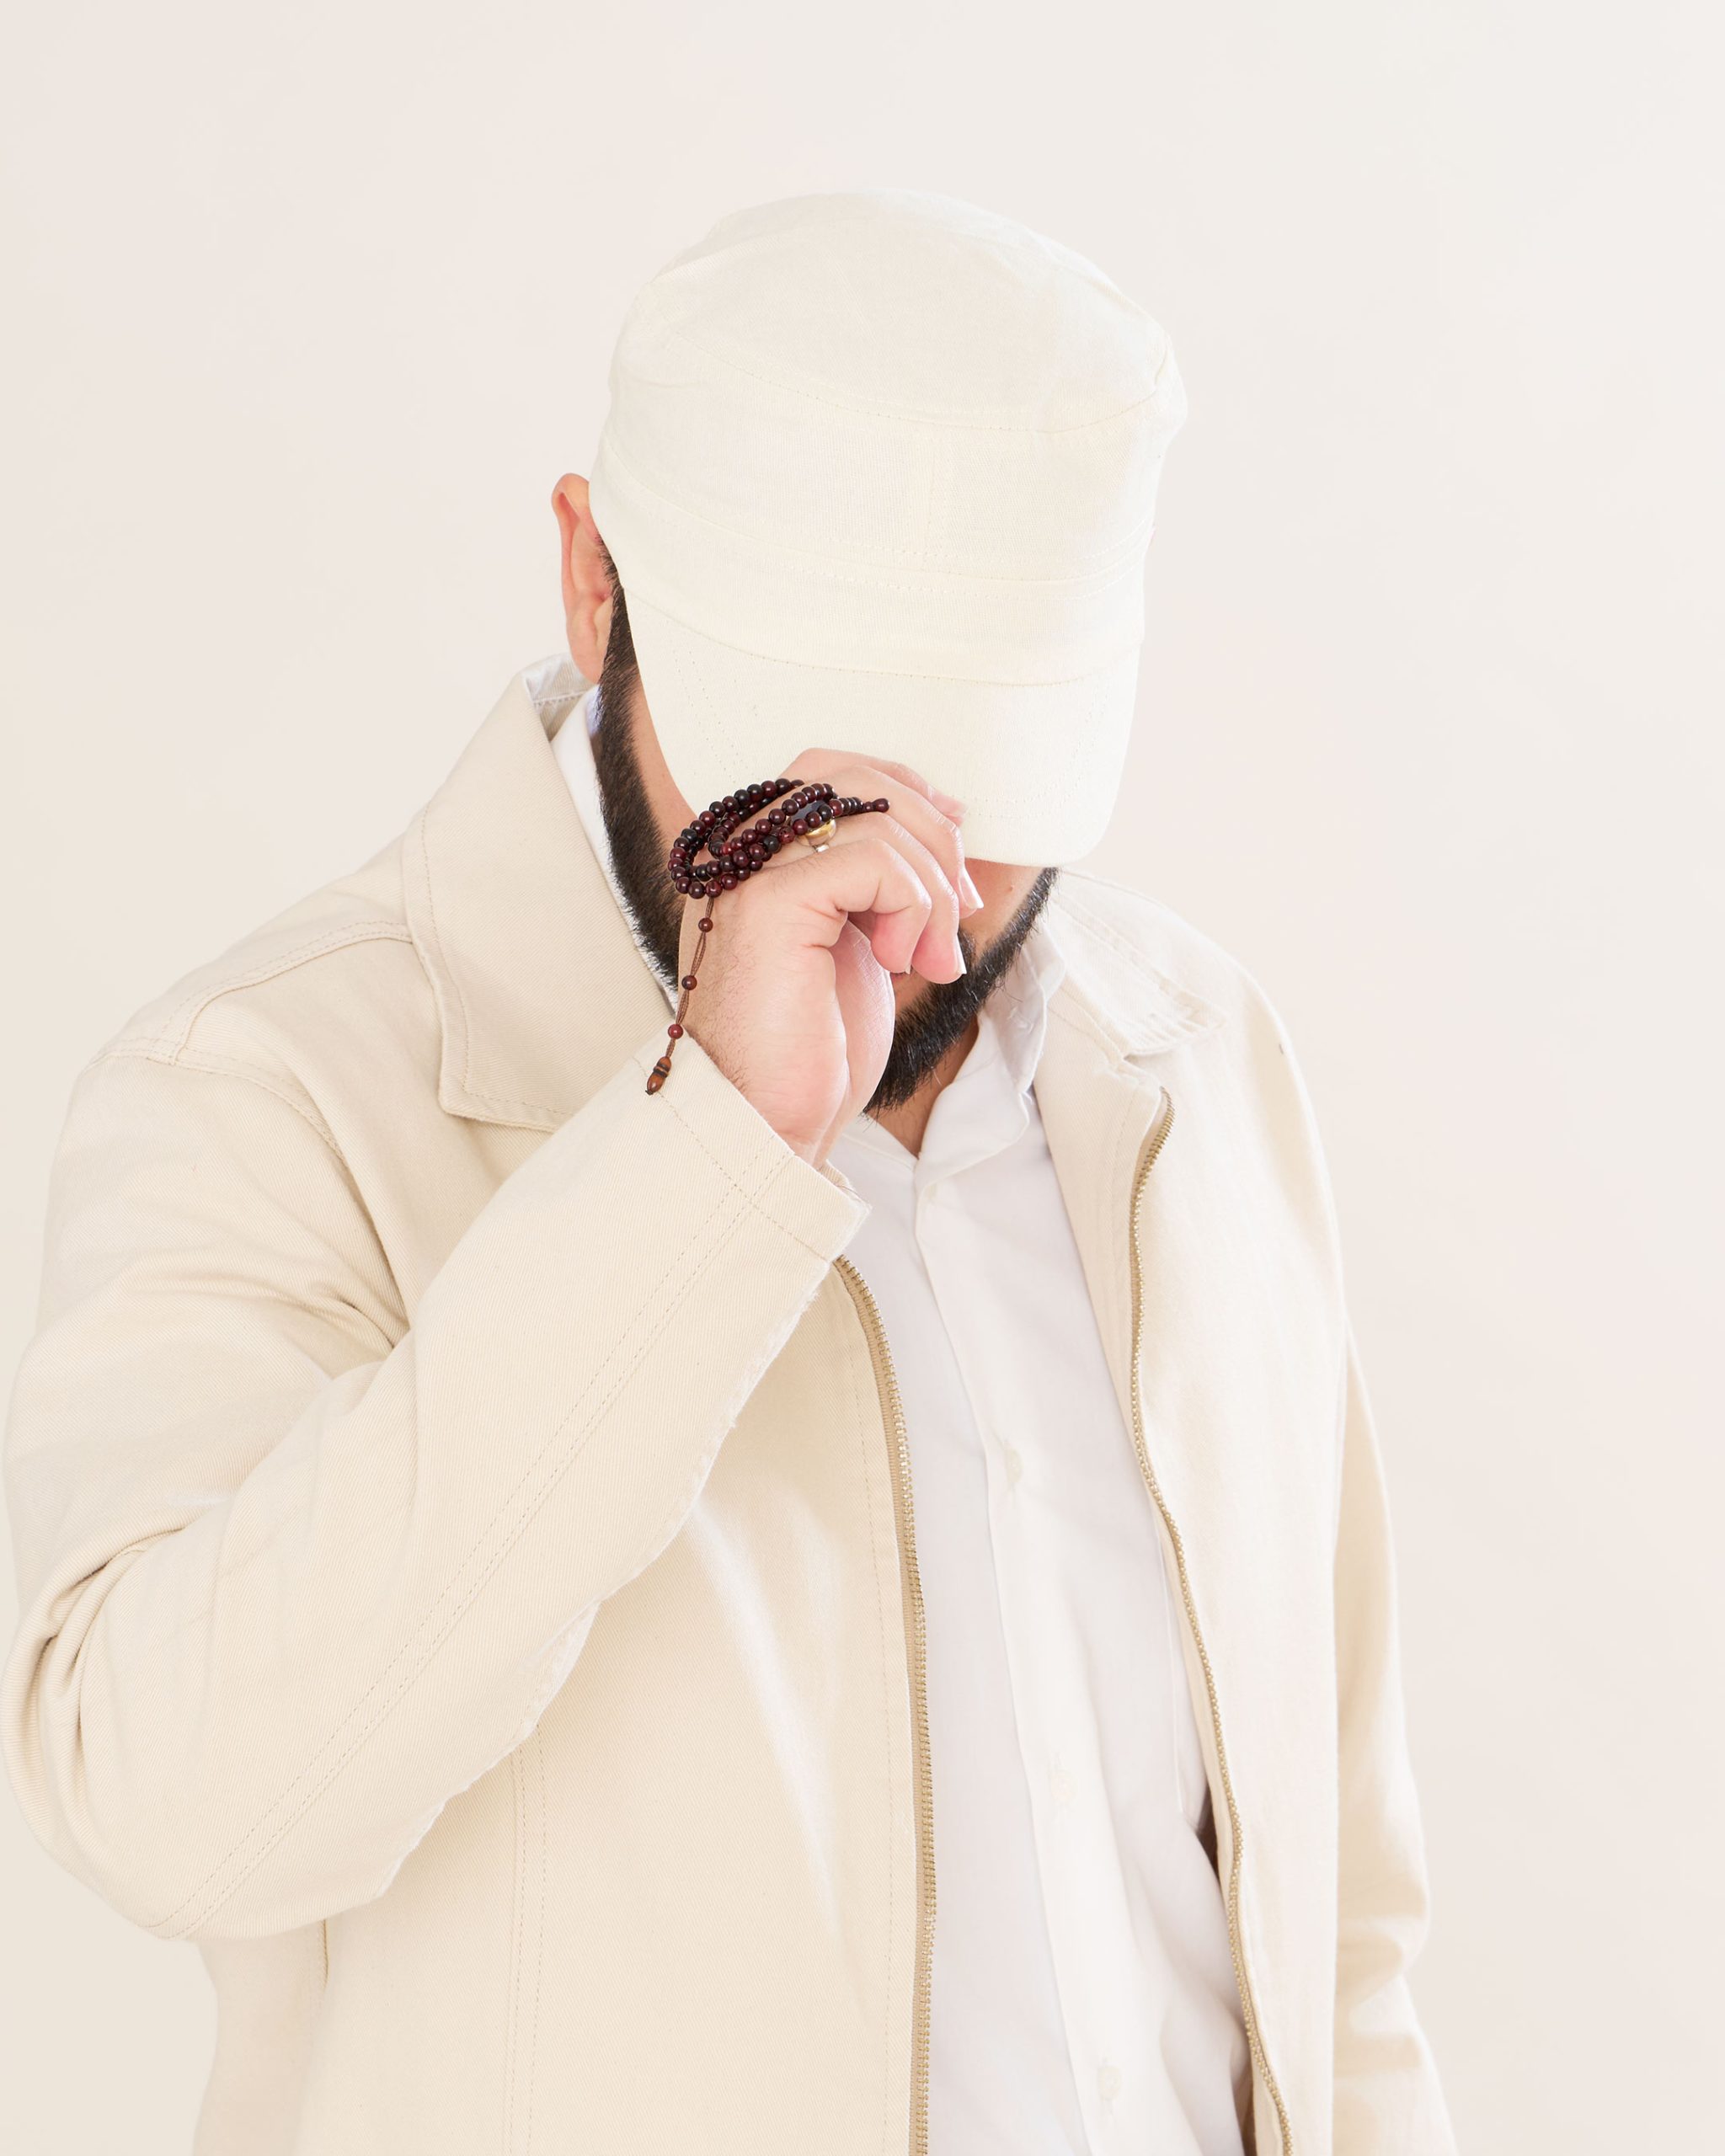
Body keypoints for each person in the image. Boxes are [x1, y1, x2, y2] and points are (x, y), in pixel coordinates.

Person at [2, 189, 1456, 2155]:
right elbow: (172, 1808)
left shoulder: (1190, 1064)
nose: (902, 879)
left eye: (982, 773)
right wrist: (702, 1161)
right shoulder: (272, 1084)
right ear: (591, 581)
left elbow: (1335, 1933)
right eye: (798, 760)